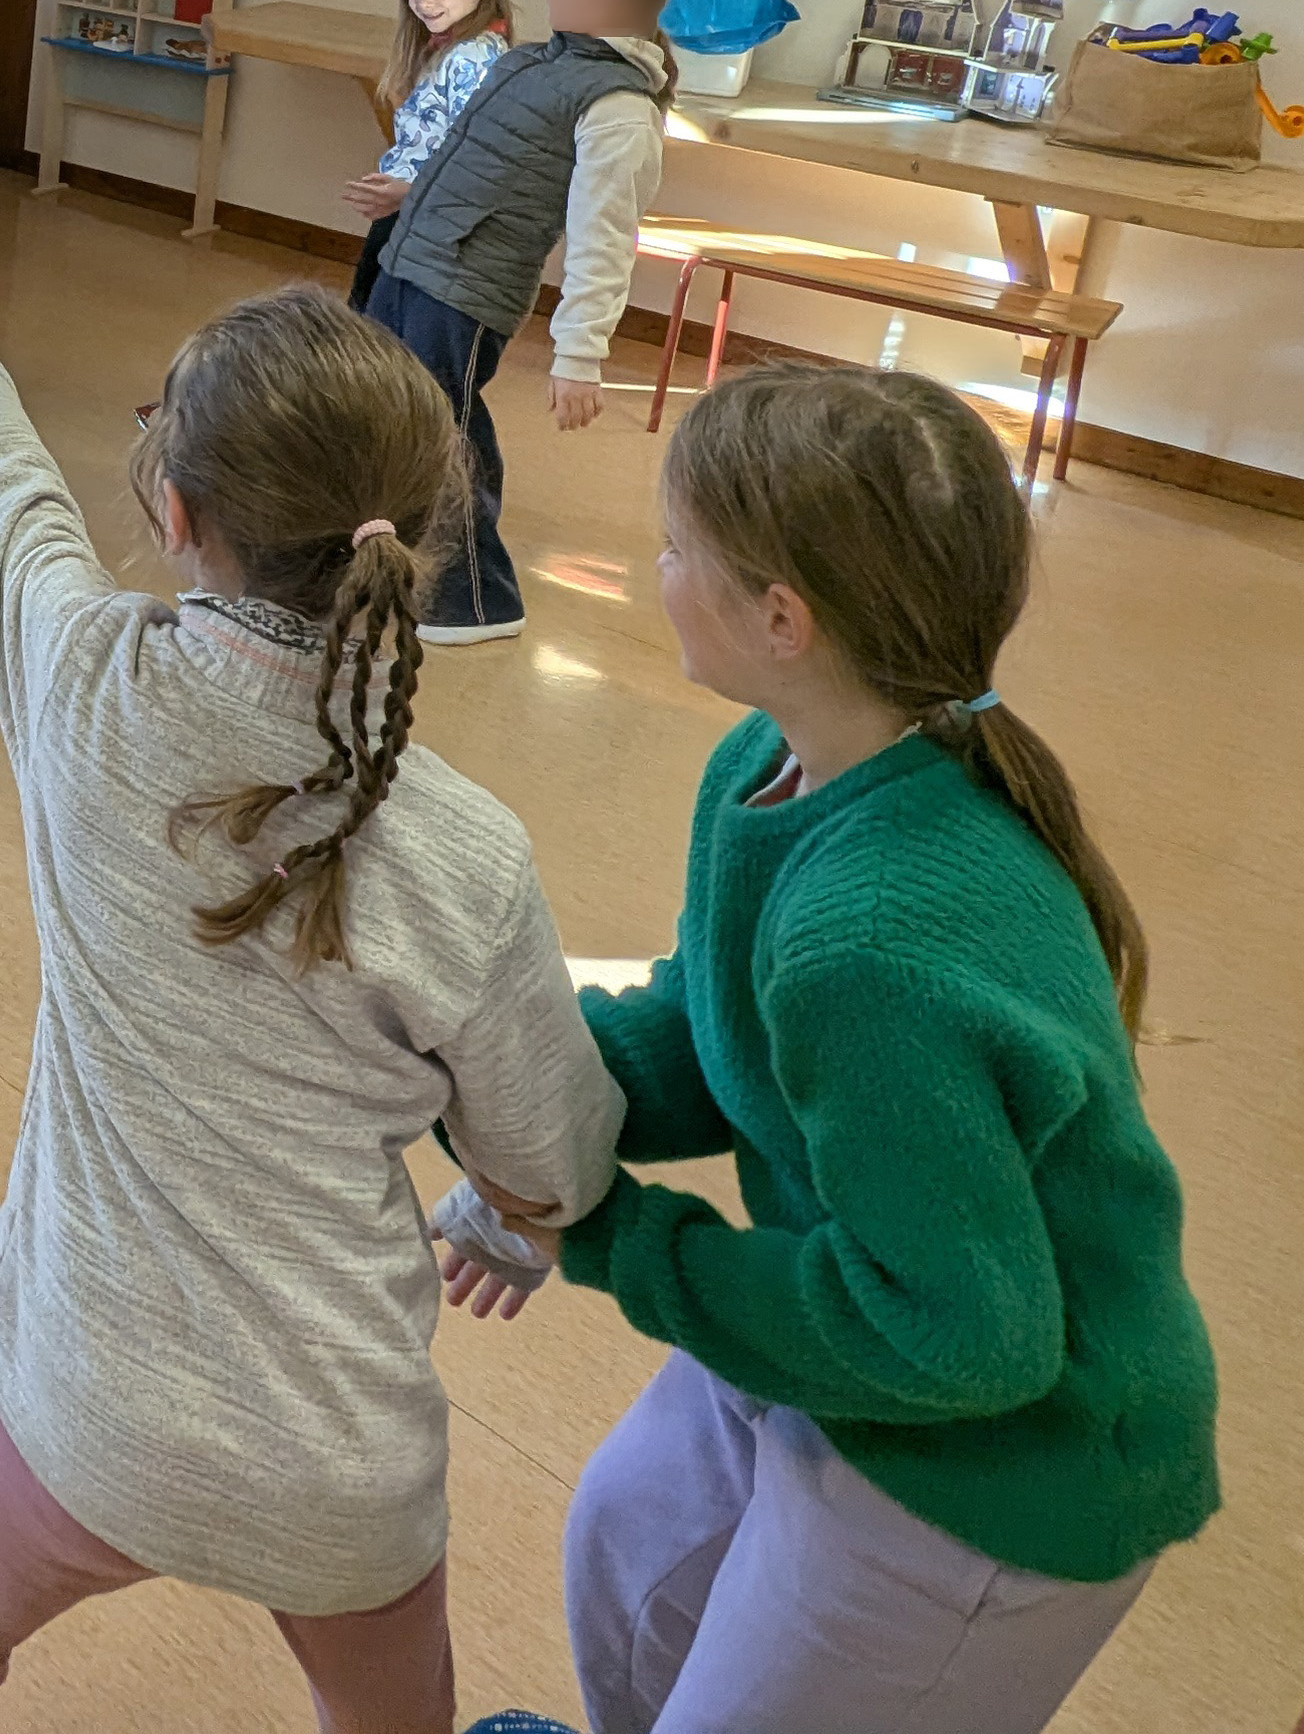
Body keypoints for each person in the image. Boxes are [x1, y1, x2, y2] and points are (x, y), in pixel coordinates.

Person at [0, 249, 625, 1734]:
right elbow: (556, 1156)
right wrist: (508, 1220)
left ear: (179, 514)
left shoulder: (85, 690)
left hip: (81, 1413)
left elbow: (1, 488)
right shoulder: (468, 853)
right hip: (342, 1469)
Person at [437, 364, 1219, 1734]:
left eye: (679, 550)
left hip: (1000, 1470)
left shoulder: (874, 944)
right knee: (626, 1545)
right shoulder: (770, 760)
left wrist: (614, 1239)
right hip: (870, 1310)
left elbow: (965, 1339)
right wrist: (513, 1100)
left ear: (782, 619)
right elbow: (709, 1028)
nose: (655, 566)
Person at [365, 0, 675, 647]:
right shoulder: (531, 61)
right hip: (414, 259)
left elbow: (606, 233)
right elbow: (460, 161)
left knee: (445, 432)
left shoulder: (619, 105)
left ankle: (478, 599)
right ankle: (384, 559)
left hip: (468, 288)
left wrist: (580, 353)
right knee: (384, 411)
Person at [346, 0, 515, 314]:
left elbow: (479, 160)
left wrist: (406, 193)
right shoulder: (446, 48)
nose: (424, 3)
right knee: (367, 320)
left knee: (372, 327)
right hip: (412, 207)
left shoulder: (474, 58)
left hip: (428, 215)